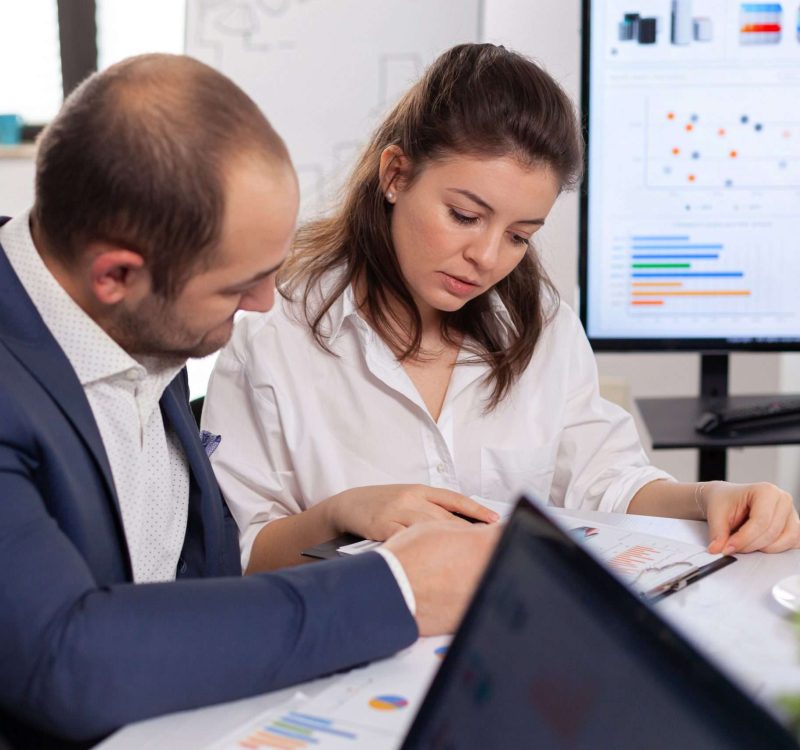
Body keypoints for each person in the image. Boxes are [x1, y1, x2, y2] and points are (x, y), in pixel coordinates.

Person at [0, 54, 499, 750]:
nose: (263, 303)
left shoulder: (136, 310)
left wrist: (333, 517)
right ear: (116, 273)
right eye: (238, 287)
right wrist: (397, 590)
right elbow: (66, 660)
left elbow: (179, 575)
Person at [203, 43, 800, 574]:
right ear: (395, 174)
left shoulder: (541, 323)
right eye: (465, 215)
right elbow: (240, 553)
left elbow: (606, 481)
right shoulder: (271, 328)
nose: (486, 258)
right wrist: (344, 512)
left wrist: (710, 499)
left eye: (519, 235)